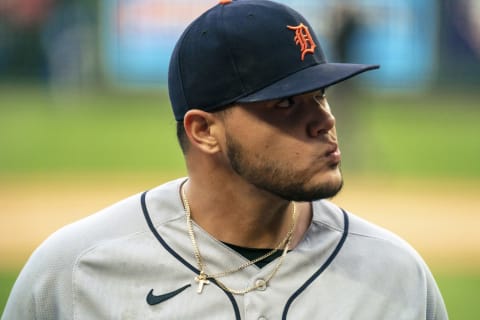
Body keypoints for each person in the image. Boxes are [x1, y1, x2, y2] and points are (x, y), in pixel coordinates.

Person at [2, 0, 448, 319]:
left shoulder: (398, 275)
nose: (324, 121)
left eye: (320, 95)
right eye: (286, 104)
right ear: (204, 131)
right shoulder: (74, 273)